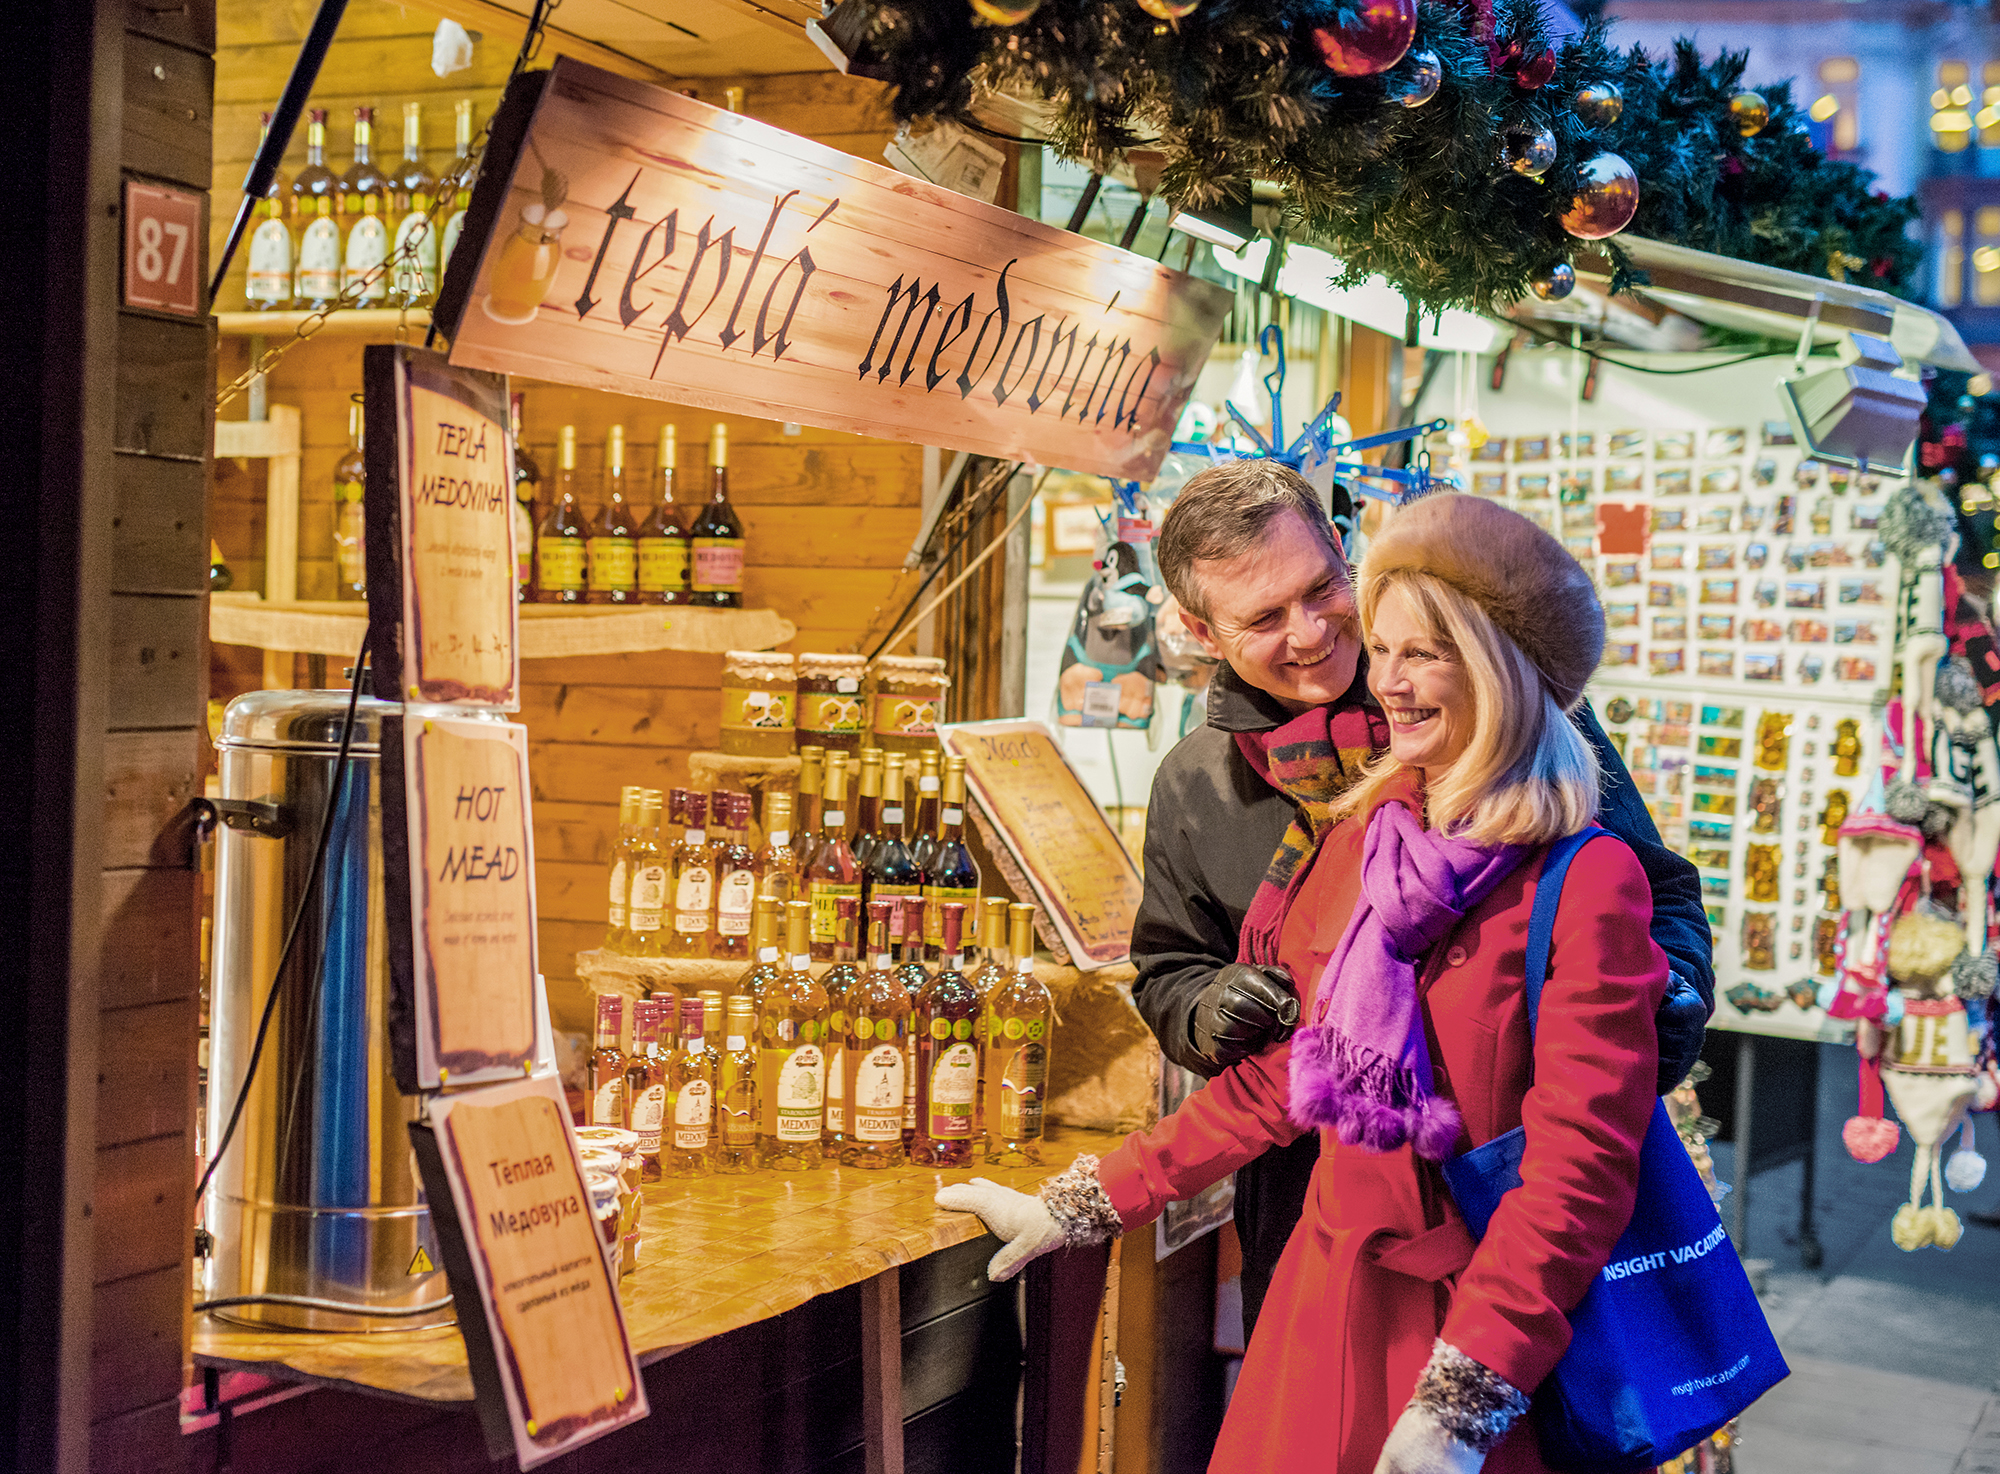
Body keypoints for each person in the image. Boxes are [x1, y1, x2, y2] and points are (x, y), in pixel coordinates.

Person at [939, 492, 1668, 1474]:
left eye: (1421, 653)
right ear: (1203, 632)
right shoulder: (1354, 839)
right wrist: (1076, 1204)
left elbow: (1574, 1179)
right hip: (1320, 1303)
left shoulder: (1581, 877)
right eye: (1386, 648)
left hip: (1477, 1327)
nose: (1384, 683)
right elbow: (1284, 1076)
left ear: (1498, 671)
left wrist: (1461, 1401)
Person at [1127, 461, 1712, 1338]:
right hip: (1309, 1212)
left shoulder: (1492, 700)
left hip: (1508, 1197)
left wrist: (1653, 1009)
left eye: (1322, 588)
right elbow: (1169, 968)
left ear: (1343, 548)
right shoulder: (1195, 785)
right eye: (1262, 618)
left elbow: (1654, 894)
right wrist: (1210, 1009)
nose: (1312, 631)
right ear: (1201, 631)